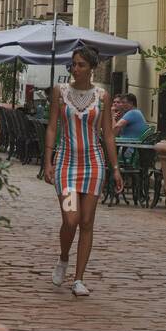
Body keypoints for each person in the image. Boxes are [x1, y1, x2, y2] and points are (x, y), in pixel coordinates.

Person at [44, 44, 122, 297]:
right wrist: (48, 161)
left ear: (91, 68)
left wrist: (116, 168)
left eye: (81, 65)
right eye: (74, 64)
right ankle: (64, 256)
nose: (75, 69)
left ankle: (78, 278)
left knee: (87, 222)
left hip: (94, 165)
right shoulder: (60, 92)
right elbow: (52, 127)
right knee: (71, 219)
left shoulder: (102, 96)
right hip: (66, 165)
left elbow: (108, 135)